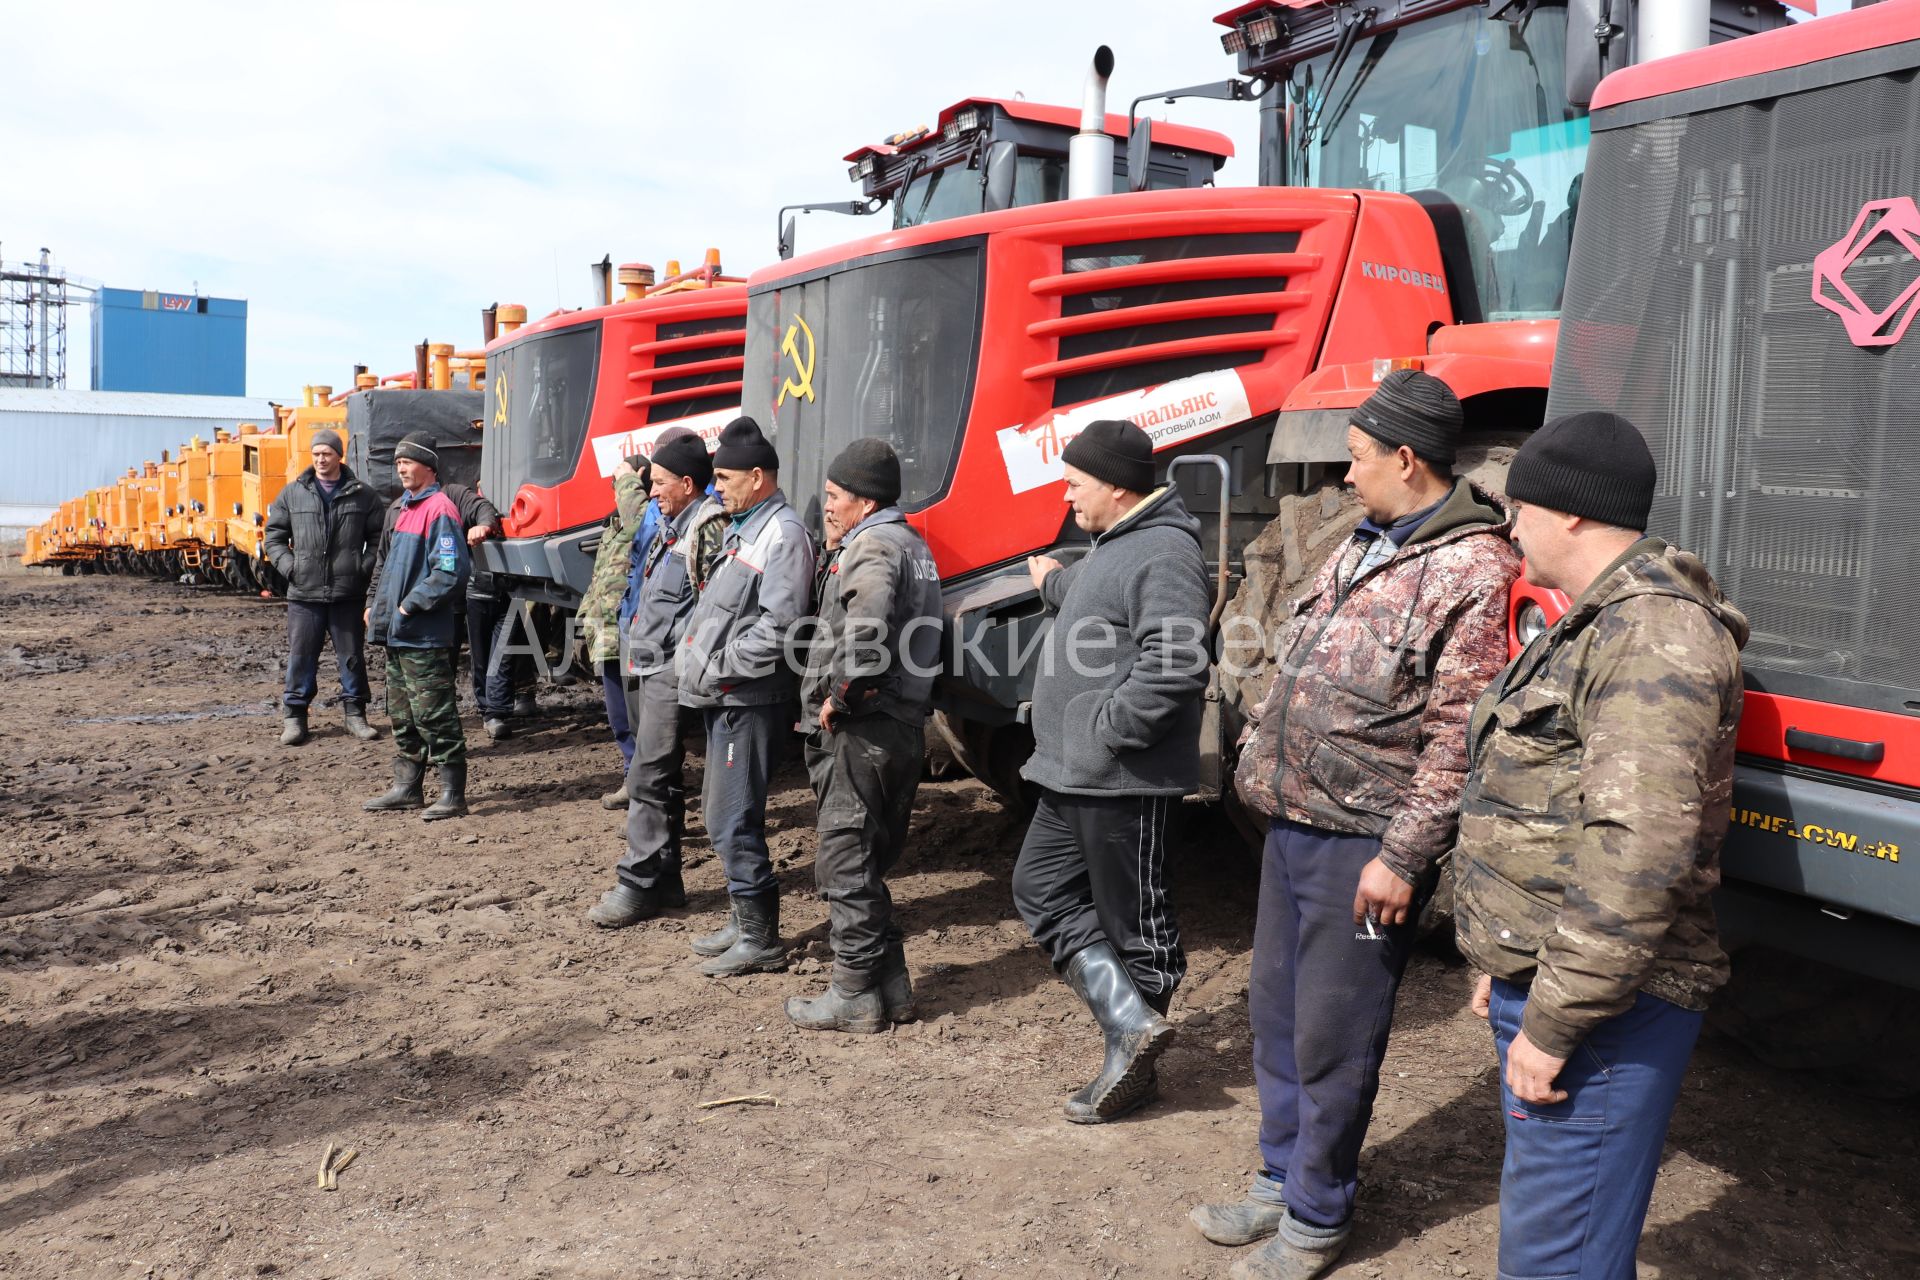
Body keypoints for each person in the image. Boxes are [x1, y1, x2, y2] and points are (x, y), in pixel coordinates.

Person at [1192, 370, 1520, 1280]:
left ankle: (1316, 1215)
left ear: (1407, 459)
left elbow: (1459, 736)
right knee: (1276, 1017)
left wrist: (1405, 855)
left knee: (1334, 1034)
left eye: (1359, 457)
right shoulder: (1361, 541)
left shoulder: (1472, 569)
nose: (1346, 475)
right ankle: (1278, 1175)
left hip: (1364, 846)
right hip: (1294, 825)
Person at [1455, 412, 1746, 1280]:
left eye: (1520, 509)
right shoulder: (1601, 620)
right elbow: (1554, 806)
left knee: (1557, 1261)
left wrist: (1554, 1018)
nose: (1510, 527)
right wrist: (1507, 952)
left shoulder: (1650, 633)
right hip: (1565, 977)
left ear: (1573, 514)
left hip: (1609, 1009)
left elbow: (1638, 855)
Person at [1012, 419, 1210, 1123]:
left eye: (1074, 484)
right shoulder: (1116, 547)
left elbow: (1177, 662)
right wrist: (1054, 582)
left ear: (1119, 487)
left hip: (1120, 772)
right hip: (1073, 773)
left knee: (1135, 925)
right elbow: (1095, 597)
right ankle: (1132, 1030)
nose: (1066, 497)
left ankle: (1133, 1063)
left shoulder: (1165, 550)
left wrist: (1108, 731)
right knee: (1038, 888)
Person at [785, 438, 942, 1034]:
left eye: (832, 497)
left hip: (863, 728)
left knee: (845, 860)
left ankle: (852, 991)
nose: (825, 507)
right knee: (867, 863)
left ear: (863, 499)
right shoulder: (913, 544)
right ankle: (892, 987)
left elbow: (869, 628)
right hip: (900, 726)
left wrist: (841, 696)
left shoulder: (872, 546)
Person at [677, 416, 815, 977]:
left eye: (725, 478)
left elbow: (780, 626)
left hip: (748, 698)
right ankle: (743, 919)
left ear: (758, 476)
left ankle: (761, 938)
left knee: (733, 817)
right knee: (720, 814)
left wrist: (717, 668)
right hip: (727, 695)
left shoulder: (781, 534)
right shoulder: (747, 526)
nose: (716, 489)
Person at [586, 431, 717, 927]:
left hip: (669, 666)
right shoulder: (673, 523)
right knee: (660, 776)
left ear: (686, 483)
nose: (652, 490)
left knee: (646, 775)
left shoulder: (706, 527)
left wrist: (685, 658)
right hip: (647, 658)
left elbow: (713, 605)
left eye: (659, 482)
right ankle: (668, 879)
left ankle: (638, 883)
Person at [363, 433, 476, 821]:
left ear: (428, 466)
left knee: (434, 712)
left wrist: (411, 605)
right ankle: (408, 787)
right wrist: (372, 605)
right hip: (397, 632)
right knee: (402, 713)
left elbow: (451, 571)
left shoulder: (440, 509)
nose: (401, 468)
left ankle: (452, 793)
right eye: (397, 463)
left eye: (407, 462)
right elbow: (382, 564)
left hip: (424, 633)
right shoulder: (401, 508)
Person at [263, 428, 386, 746]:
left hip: (348, 593)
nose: (320, 458)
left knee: (352, 657)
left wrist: (362, 568)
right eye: (316, 453)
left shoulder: (363, 495)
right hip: (305, 594)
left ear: (338, 456)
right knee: (301, 656)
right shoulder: (293, 493)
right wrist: (292, 568)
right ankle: (294, 718)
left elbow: (379, 539)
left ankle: (355, 715)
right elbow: (273, 537)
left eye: (326, 453)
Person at [577, 448, 663, 807]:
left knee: (637, 718)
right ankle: (632, 777)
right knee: (618, 718)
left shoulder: (644, 517)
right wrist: (584, 622)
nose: (616, 487)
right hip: (607, 634)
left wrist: (629, 475)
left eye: (623, 482)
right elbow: (599, 579)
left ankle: (643, 784)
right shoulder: (613, 525)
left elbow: (637, 514)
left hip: (629, 634)